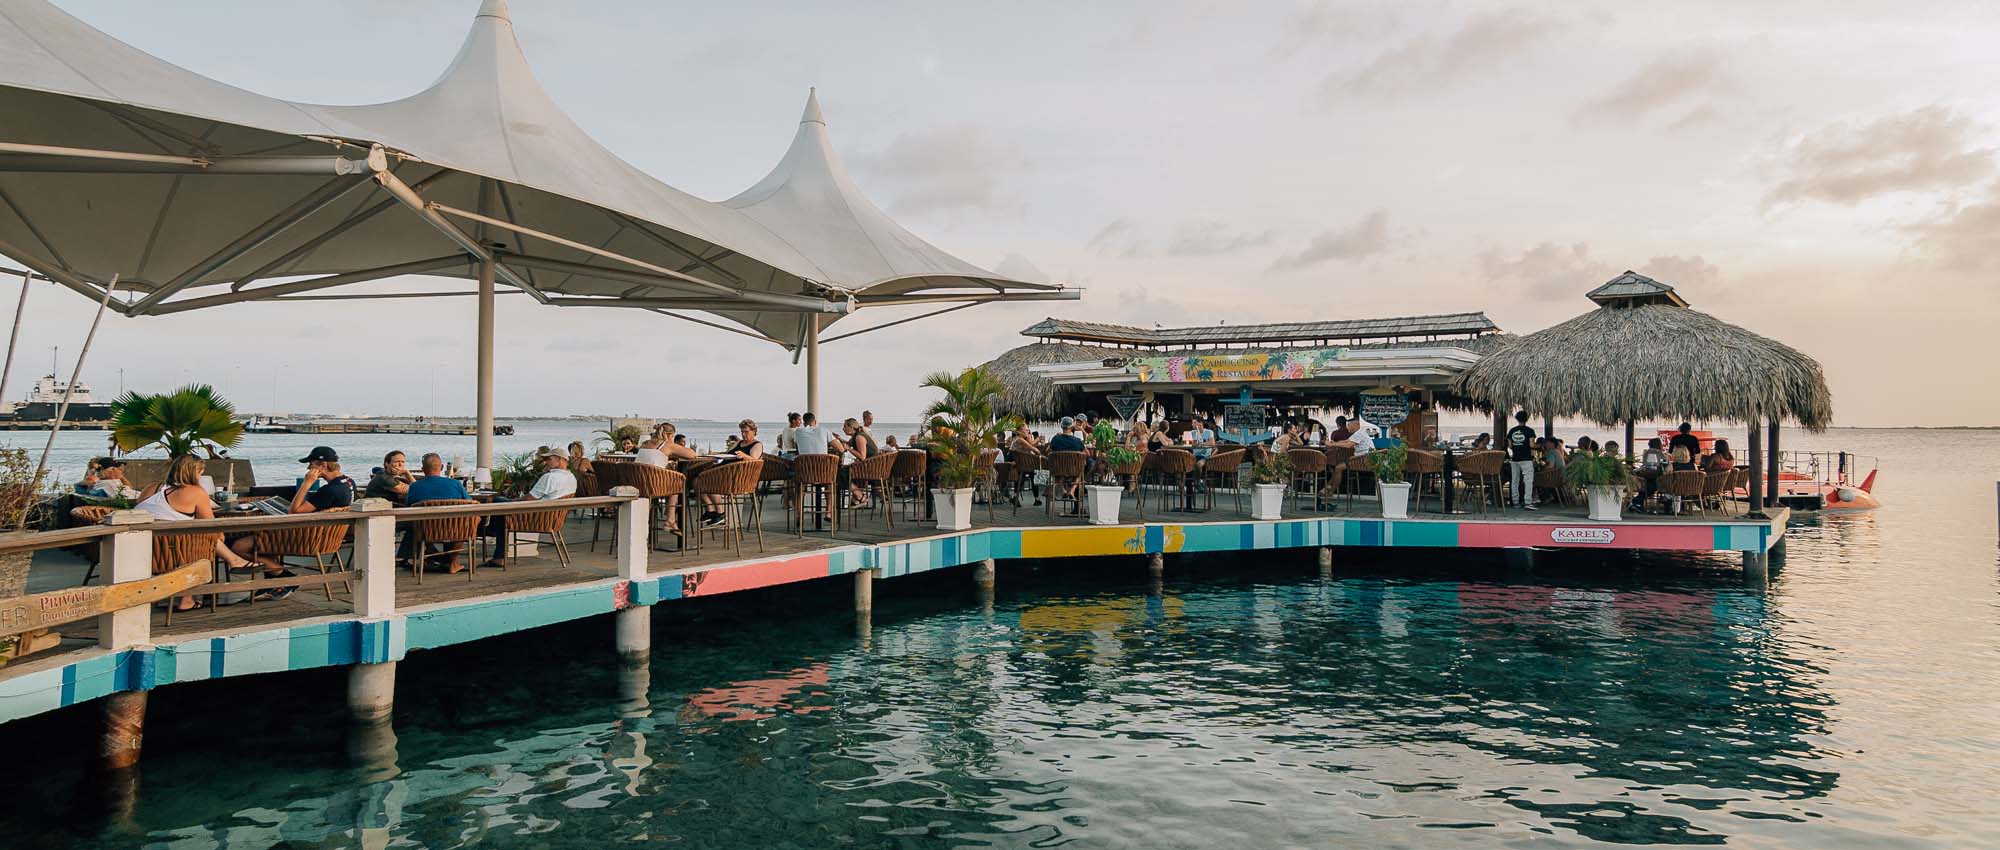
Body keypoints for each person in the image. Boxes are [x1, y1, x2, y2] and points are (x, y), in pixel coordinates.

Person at [134, 456, 259, 608]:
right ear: (195, 472)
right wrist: (220, 536)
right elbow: (210, 525)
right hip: (176, 555)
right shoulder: (195, 491)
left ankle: (233, 561)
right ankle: (188, 598)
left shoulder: (151, 488)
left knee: (196, 536)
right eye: (201, 472)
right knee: (210, 537)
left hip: (144, 552)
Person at [230, 446, 354, 592]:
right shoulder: (348, 482)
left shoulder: (329, 490)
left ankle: (284, 576)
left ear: (323, 465)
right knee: (266, 539)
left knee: (239, 546)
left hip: (309, 539)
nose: (308, 467)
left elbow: (294, 512)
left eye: (311, 464)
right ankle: (274, 585)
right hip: (329, 536)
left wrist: (307, 483)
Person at [482, 452, 577, 569]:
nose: (546, 462)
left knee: (498, 503)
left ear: (560, 460)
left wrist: (515, 501)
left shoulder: (550, 477)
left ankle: (491, 541)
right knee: (502, 508)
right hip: (552, 518)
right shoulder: (571, 477)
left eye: (549, 459)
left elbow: (529, 498)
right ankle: (494, 542)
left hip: (535, 518)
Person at [403, 453, 471, 572]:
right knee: (464, 521)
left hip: (425, 530)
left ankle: (434, 556)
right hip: (454, 529)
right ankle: (452, 563)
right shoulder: (455, 484)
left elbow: (408, 506)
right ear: (442, 467)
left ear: (422, 469)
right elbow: (470, 503)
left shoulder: (415, 487)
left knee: (416, 523)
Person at [1505, 410, 1537, 511]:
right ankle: (1528, 502)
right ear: (1526, 419)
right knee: (1528, 480)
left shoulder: (1512, 431)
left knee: (1515, 480)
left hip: (1515, 459)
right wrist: (1540, 446)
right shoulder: (1529, 431)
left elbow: (1510, 446)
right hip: (1526, 459)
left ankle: (1515, 502)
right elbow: (1532, 445)